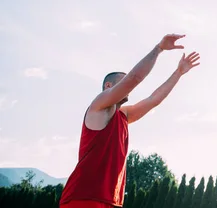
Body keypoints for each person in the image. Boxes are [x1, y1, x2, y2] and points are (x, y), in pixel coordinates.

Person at [59, 33, 201, 208]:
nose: (129, 87)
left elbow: (153, 99)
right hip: (84, 197)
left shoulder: (124, 116)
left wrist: (178, 73)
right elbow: (134, 79)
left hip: (111, 200)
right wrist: (159, 49)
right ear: (108, 86)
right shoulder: (98, 106)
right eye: (122, 81)